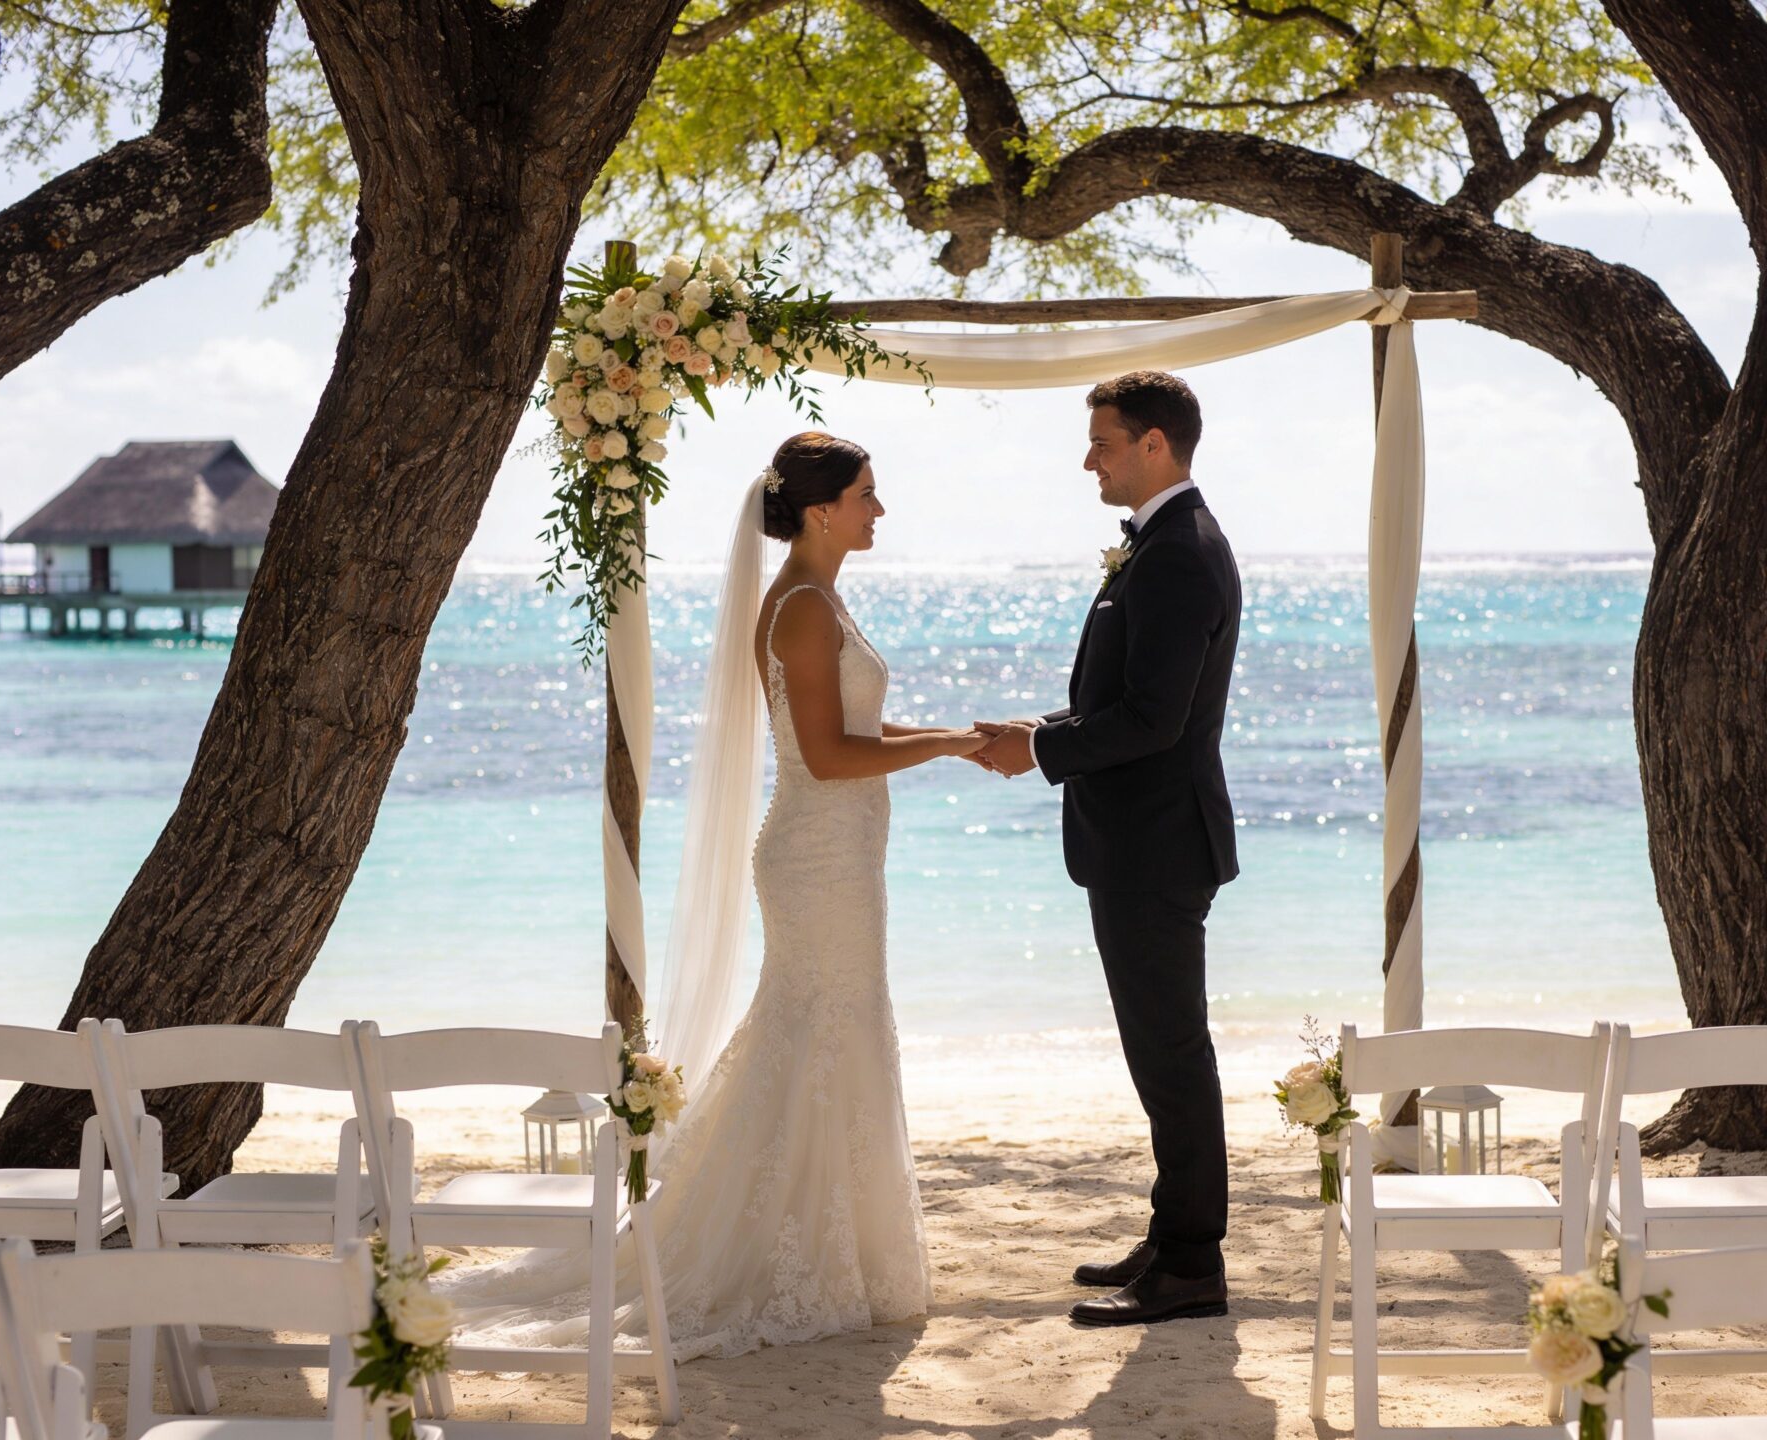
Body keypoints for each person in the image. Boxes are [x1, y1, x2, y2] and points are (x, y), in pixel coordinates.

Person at [442, 431, 984, 1358]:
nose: (878, 510)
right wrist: (942, 748)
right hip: (819, 856)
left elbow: (852, 723)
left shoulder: (819, 600)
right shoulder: (804, 607)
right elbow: (825, 755)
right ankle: (787, 1250)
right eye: (866, 494)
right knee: (816, 1027)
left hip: (844, 852)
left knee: (832, 1029)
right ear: (821, 510)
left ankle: (835, 1246)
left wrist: (962, 735)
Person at [974, 369, 1244, 1327]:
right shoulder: (1164, 544)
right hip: (1144, 842)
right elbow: (1119, 702)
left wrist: (1040, 751)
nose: (1088, 458)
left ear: (1155, 444)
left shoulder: (1178, 554)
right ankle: (1174, 1237)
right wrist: (1040, 724)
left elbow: (1154, 720)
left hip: (1157, 846)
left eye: (1103, 441)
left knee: (1171, 1054)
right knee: (1158, 1051)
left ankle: (1192, 1265)